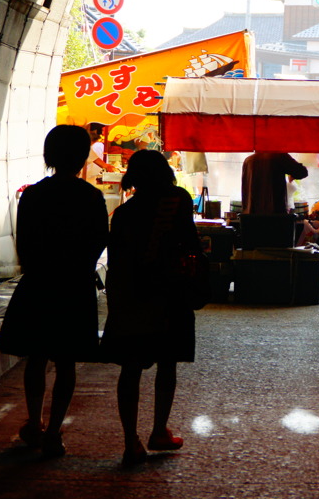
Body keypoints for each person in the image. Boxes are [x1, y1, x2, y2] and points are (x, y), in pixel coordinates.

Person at [0, 125, 108, 457]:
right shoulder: (91, 196)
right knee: (66, 361)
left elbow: (24, 243)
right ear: (82, 157)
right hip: (74, 286)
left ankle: (34, 422)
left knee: (36, 357)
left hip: (40, 285)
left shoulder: (33, 195)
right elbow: (99, 239)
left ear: (49, 155)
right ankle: (55, 432)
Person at [102, 150, 201, 465]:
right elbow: (191, 245)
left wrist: (115, 303)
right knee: (167, 362)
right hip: (171, 294)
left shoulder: (125, 214)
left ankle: (130, 440)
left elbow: (115, 264)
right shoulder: (178, 201)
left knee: (130, 369)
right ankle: (159, 429)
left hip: (133, 297)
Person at [241, 150, 309, 215]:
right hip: (275, 215)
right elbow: (302, 172)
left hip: (251, 215)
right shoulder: (279, 157)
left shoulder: (248, 161)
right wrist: (292, 174)